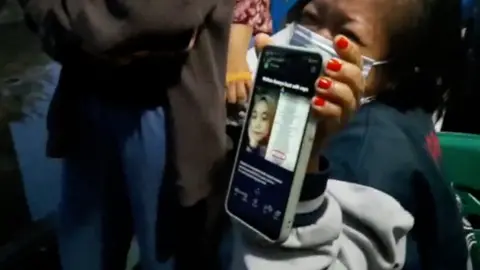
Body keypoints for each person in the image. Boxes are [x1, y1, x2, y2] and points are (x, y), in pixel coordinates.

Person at [231, 0, 469, 269]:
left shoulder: (360, 154)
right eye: (311, 18)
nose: (316, 40)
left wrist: (303, 166)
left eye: (348, 36)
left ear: (392, 69)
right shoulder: (404, 114)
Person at [17, 0, 233, 269]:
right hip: (85, 101)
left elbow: (152, 15)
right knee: (83, 257)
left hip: (168, 113)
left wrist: (64, 22)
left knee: (166, 255)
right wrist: (67, 27)